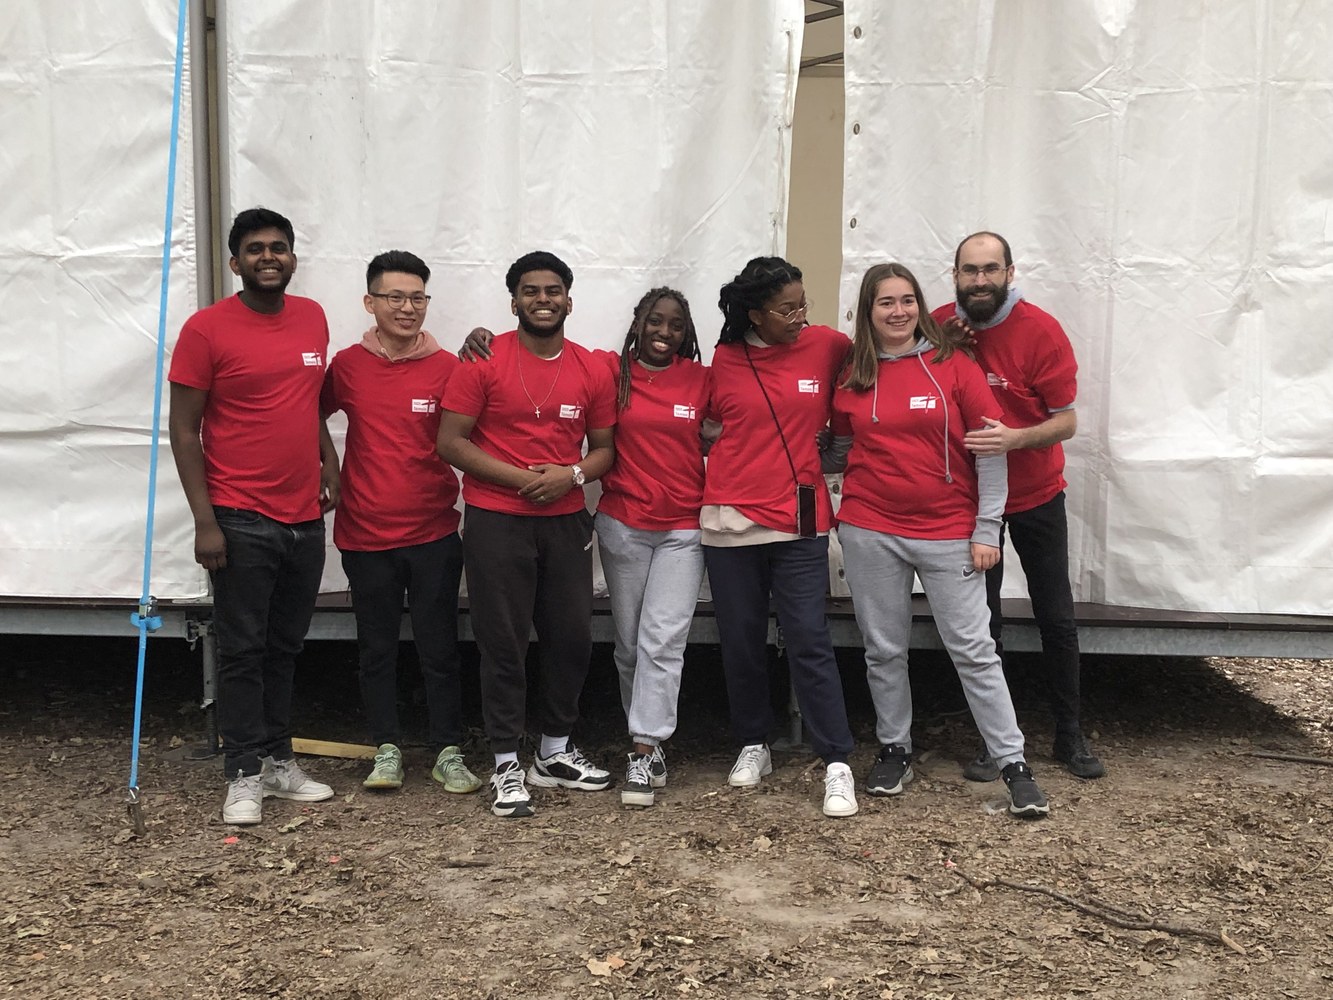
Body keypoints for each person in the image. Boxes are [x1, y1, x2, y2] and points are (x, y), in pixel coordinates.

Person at [827, 262, 1050, 818]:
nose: (898, 311)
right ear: (868, 311)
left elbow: (991, 450)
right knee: (883, 650)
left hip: (949, 531)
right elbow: (838, 450)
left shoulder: (953, 365)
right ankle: (895, 748)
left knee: (974, 650)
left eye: (907, 300)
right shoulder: (854, 375)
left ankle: (1013, 763)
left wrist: (987, 527)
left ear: (920, 306)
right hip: (870, 528)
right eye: (886, 302)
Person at [168, 207, 337, 826]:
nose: (270, 257)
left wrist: (329, 461)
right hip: (239, 516)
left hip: (303, 516)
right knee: (242, 649)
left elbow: (307, 402)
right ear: (236, 262)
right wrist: (205, 521)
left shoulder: (313, 316)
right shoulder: (206, 330)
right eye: (256, 249)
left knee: (284, 647)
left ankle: (277, 760)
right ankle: (242, 772)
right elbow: (184, 431)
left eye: (279, 247)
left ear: (292, 257)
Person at [437, 251, 617, 818]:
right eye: (531, 291)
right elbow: (450, 442)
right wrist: (522, 480)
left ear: (569, 300)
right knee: (503, 642)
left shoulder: (592, 367)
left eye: (553, 290)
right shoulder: (482, 359)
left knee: (571, 637)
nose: (543, 300)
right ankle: (505, 763)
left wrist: (571, 476)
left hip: (566, 520)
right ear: (513, 301)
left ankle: (554, 752)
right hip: (496, 519)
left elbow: (605, 450)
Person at [934, 232, 1105, 780]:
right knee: (983, 623)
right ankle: (996, 740)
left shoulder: (1041, 331)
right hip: (968, 500)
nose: (979, 280)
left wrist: (1014, 439)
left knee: (1055, 616)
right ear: (955, 275)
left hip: (1036, 494)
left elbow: (1067, 421)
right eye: (969, 270)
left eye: (990, 269)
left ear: (1010, 273)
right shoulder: (938, 326)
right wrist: (940, 348)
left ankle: (1069, 734)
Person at [320, 250, 482, 795]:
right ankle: (386, 748)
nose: (407, 308)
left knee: (440, 647)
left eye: (417, 298)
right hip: (365, 534)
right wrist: (329, 465)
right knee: (377, 648)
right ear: (370, 303)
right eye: (395, 297)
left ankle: (447, 750)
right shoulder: (347, 365)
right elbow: (308, 411)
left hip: (434, 532)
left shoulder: (449, 367)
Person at [703, 256, 858, 819]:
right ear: (755, 314)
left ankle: (836, 759)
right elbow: (706, 426)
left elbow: (878, 362)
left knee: (809, 638)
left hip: (800, 519)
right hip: (730, 518)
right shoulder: (724, 357)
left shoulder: (829, 346)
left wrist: (832, 451)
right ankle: (754, 742)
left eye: (802, 305)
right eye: (786, 309)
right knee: (741, 640)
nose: (799, 317)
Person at [594, 288, 708, 807]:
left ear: (687, 332)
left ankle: (642, 748)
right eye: (655, 321)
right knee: (629, 645)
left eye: (676, 325)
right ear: (637, 322)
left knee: (663, 639)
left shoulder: (702, 378)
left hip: (683, 529)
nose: (665, 332)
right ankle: (650, 739)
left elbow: (741, 419)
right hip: (623, 525)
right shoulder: (609, 372)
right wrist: (480, 338)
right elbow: (549, 359)